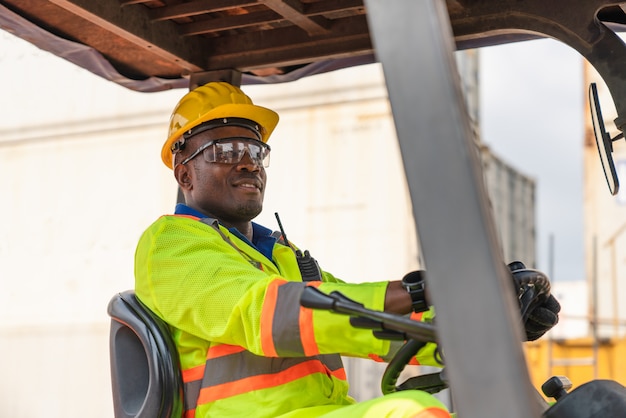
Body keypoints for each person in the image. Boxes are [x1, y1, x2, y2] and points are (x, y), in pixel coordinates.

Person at [134, 82, 560, 418]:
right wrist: (425, 288)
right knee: (413, 413)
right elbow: (267, 314)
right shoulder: (171, 246)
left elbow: (363, 320)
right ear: (185, 172)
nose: (249, 163)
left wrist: (487, 326)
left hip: (327, 411)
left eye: (256, 151)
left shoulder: (280, 253)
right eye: (227, 151)